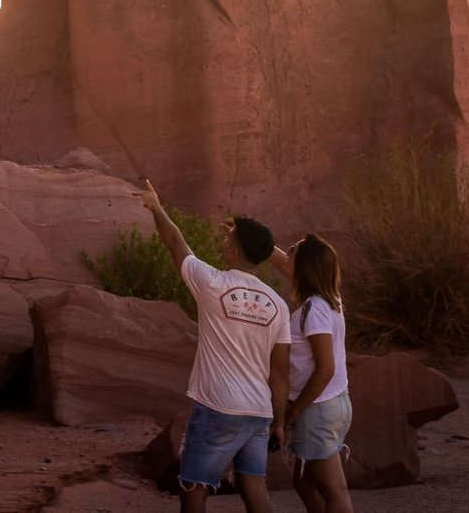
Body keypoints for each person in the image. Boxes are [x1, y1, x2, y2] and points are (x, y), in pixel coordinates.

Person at [138, 180, 290, 512]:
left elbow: (175, 242)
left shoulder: (212, 284)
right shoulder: (278, 304)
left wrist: (156, 207)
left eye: (226, 240)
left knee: (194, 488)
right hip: (258, 411)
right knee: (254, 488)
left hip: (218, 407)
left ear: (235, 252)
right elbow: (279, 372)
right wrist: (279, 421)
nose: (222, 243)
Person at [270, 234, 355, 513]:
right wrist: (254, 240)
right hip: (334, 404)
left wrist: (292, 413)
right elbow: (285, 264)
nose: (287, 256)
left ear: (304, 267)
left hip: (318, 409)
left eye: (292, 252)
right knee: (304, 482)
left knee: (335, 491)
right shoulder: (329, 301)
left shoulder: (314, 310)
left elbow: (325, 369)